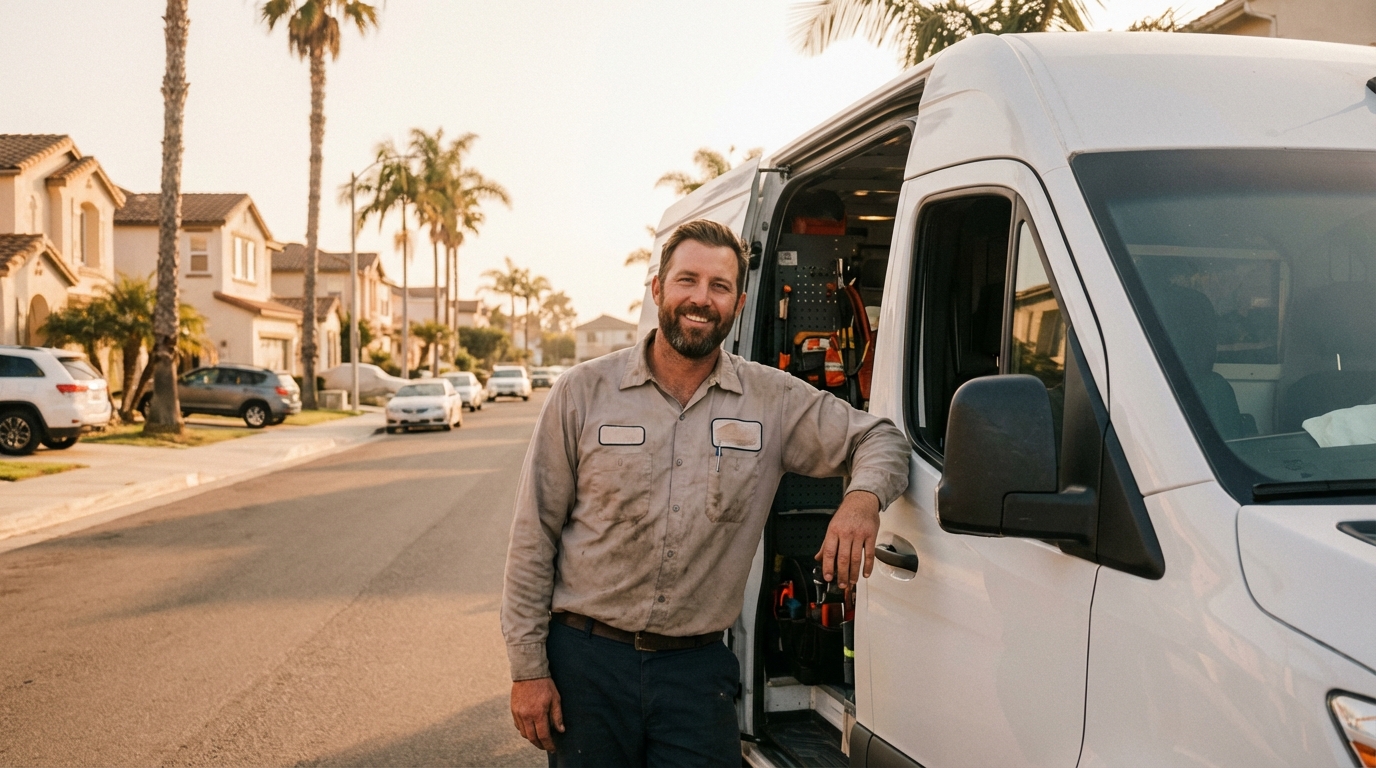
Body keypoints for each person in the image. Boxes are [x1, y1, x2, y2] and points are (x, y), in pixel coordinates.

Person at [501, 219, 910, 766]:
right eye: (686, 280)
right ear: (657, 290)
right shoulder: (583, 393)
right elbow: (534, 536)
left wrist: (863, 500)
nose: (701, 299)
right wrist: (529, 669)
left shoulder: (772, 400)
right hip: (587, 665)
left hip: (696, 676)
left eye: (719, 287)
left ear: (739, 302)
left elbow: (881, 437)